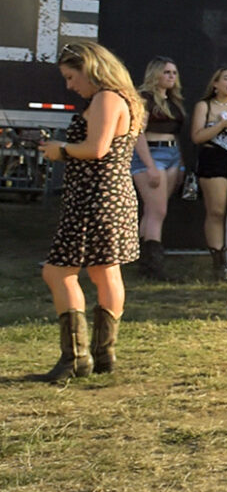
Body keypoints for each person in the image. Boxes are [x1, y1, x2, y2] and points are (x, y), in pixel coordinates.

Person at [36, 42, 145, 380]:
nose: (70, 85)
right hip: (111, 195)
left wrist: (60, 150)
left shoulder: (106, 98)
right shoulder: (123, 98)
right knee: (104, 271)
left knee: (57, 272)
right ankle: (102, 355)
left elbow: (96, 148)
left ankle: (75, 359)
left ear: (91, 68)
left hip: (94, 198)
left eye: (71, 77)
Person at [189, 66, 227, 280]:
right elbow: (197, 136)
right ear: (215, 84)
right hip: (212, 159)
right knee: (217, 210)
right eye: (226, 79)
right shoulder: (204, 106)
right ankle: (217, 258)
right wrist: (222, 124)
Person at [132, 56, 185, 279]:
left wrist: (180, 161)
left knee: (153, 211)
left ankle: (144, 263)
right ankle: (153, 266)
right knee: (157, 211)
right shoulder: (144, 98)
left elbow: (176, 131)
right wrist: (150, 165)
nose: (171, 76)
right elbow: (137, 133)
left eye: (173, 72)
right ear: (155, 74)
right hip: (151, 153)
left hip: (172, 154)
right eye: (166, 72)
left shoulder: (174, 100)